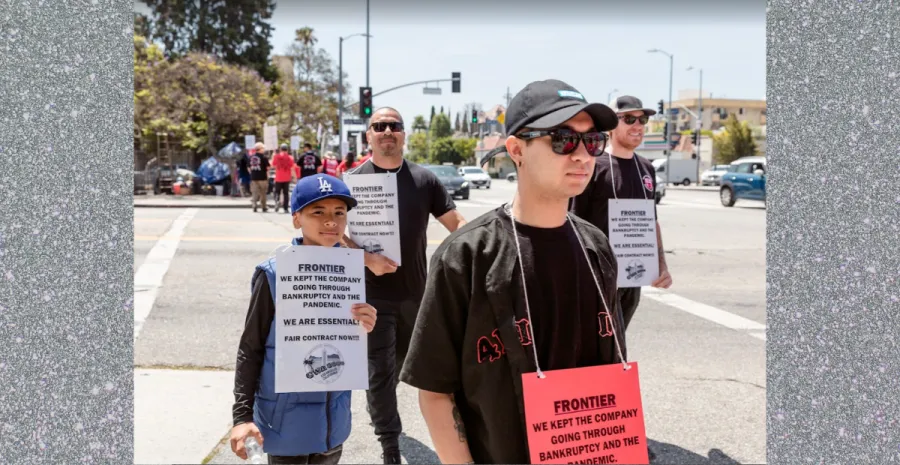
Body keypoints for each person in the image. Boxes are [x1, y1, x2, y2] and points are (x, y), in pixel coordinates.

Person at [399, 79, 627, 464]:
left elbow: (611, 372)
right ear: (516, 149)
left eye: (592, 142)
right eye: (562, 140)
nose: (583, 155)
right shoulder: (467, 254)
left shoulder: (597, 247)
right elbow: (436, 391)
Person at [342, 106, 467, 464]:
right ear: (368, 136)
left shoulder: (423, 180)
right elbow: (334, 235)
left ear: (403, 134)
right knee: (380, 371)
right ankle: (389, 445)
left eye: (393, 126)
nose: (386, 131)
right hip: (372, 295)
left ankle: (382, 410)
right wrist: (368, 259)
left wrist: (480, 249)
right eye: (378, 126)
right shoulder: (353, 181)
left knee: (406, 367)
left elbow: (456, 222)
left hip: (417, 295)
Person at [230, 173, 379, 464]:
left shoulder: (351, 271)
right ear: (297, 218)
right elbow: (251, 347)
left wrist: (365, 324)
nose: (331, 221)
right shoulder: (273, 273)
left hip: (333, 427)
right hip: (285, 429)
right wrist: (241, 416)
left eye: (339, 212)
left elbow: (348, 343)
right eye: (318, 212)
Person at [571, 95, 673, 330]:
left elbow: (651, 221)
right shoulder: (593, 165)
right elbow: (574, 222)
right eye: (629, 119)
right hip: (597, 280)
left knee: (618, 344)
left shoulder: (646, 168)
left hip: (632, 278)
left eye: (642, 119)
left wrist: (661, 265)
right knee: (594, 346)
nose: (637, 125)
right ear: (611, 124)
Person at [271, 143, 296, 213]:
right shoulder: (290, 157)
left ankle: (277, 202)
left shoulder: (276, 156)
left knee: (277, 192)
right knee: (286, 193)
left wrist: (273, 156)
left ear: (280, 149)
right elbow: (292, 168)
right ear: (287, 150)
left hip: (278, 177)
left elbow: (273, 165)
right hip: (286, 178)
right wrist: (295, 177)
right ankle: (285, 208)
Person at [249, 142, 271, 213]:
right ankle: (263, 207)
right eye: (263, 148)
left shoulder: (251, 157)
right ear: (260, 149)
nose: (264, 149)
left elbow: (249, 167)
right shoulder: (263, 157)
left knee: (254, 192)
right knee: (263, 193)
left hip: (254, 177)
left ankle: (254, 206)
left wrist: (252, 173)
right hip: (262, 177)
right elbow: (268, 167)